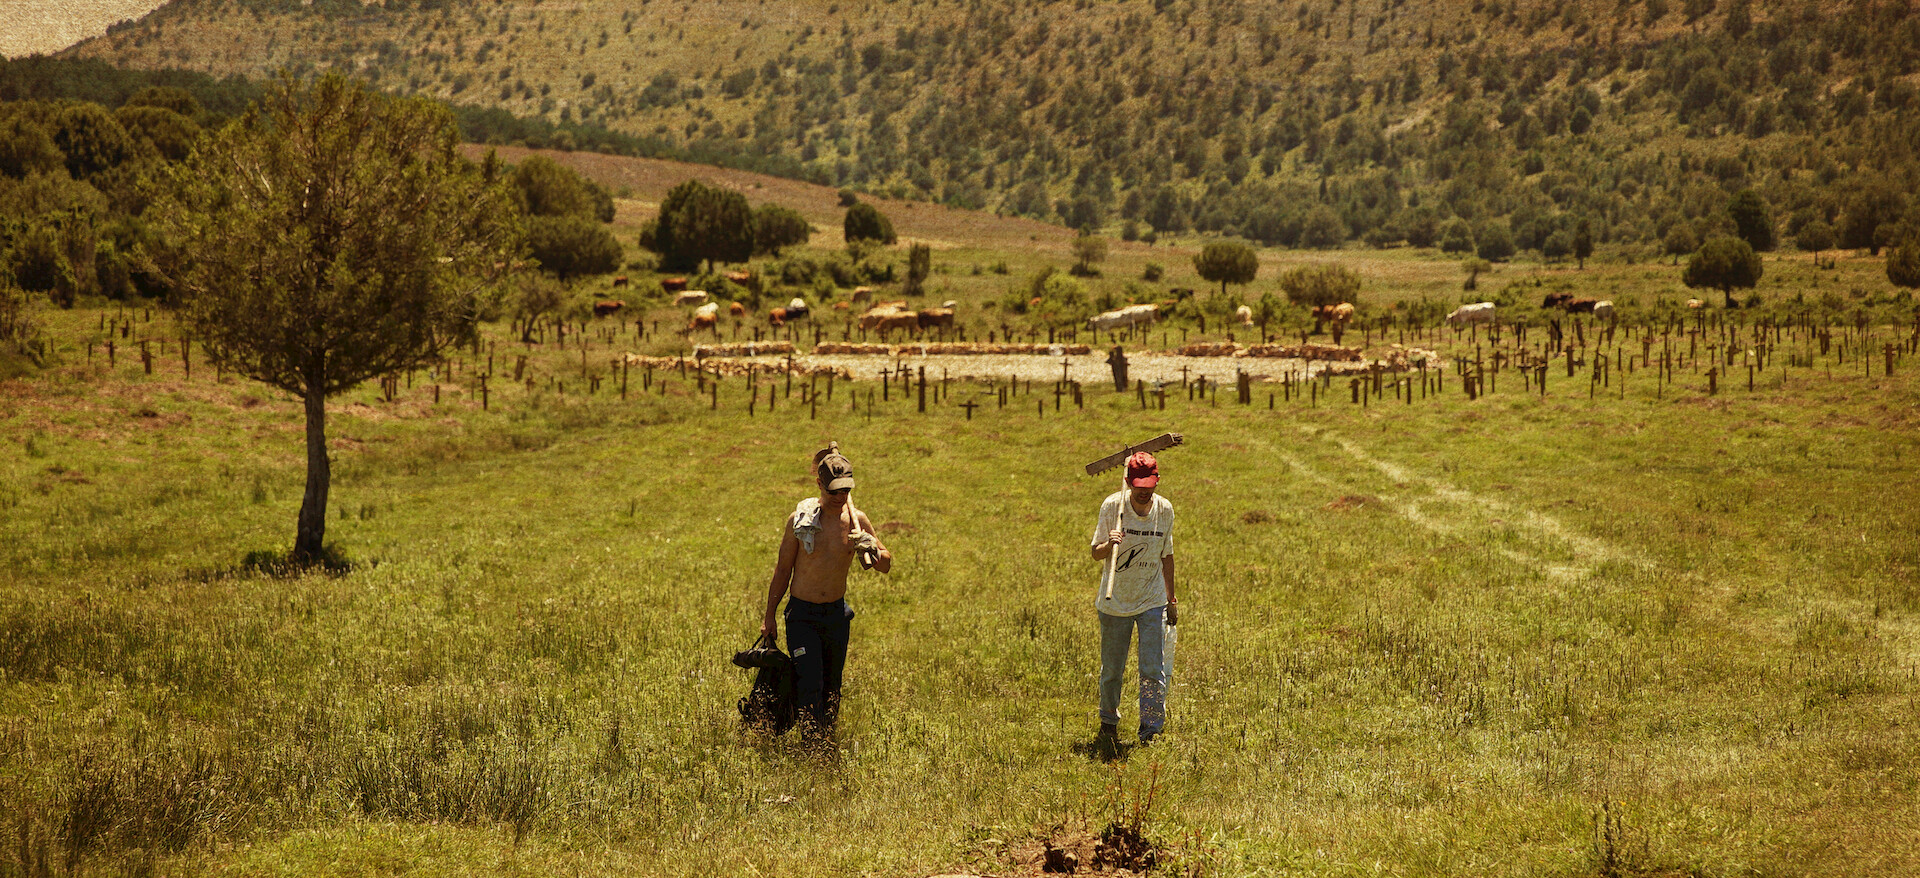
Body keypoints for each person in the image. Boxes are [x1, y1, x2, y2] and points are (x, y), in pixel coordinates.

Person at [761, 442, 892, 750]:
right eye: (834, 491)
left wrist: (872, 547)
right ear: (820, 485)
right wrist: (769, 616)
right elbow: (782, 570)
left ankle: (826, 740)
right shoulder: (801, 523)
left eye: (845, 491)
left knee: (832, 685)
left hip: (835, 615)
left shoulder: (857, 521)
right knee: (810, 682)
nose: (840, 497)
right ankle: (812, 747)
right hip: (802, 616)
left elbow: (885, 565)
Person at [1089, 451, 1177, 753]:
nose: (1144, 492)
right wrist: (1109, 543)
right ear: (1128, 483)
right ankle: (1108, 723)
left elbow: (1167, 555)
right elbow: (1095, 553)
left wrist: (1171, 599)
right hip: (1115, 602)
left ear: (1156, 481)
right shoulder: (1113, 506)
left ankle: (1151, 730)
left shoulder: (1164, 509)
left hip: (1152, 600)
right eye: (1139, 486)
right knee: (1112, 670)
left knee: (1152, 668)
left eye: (1149, 486)